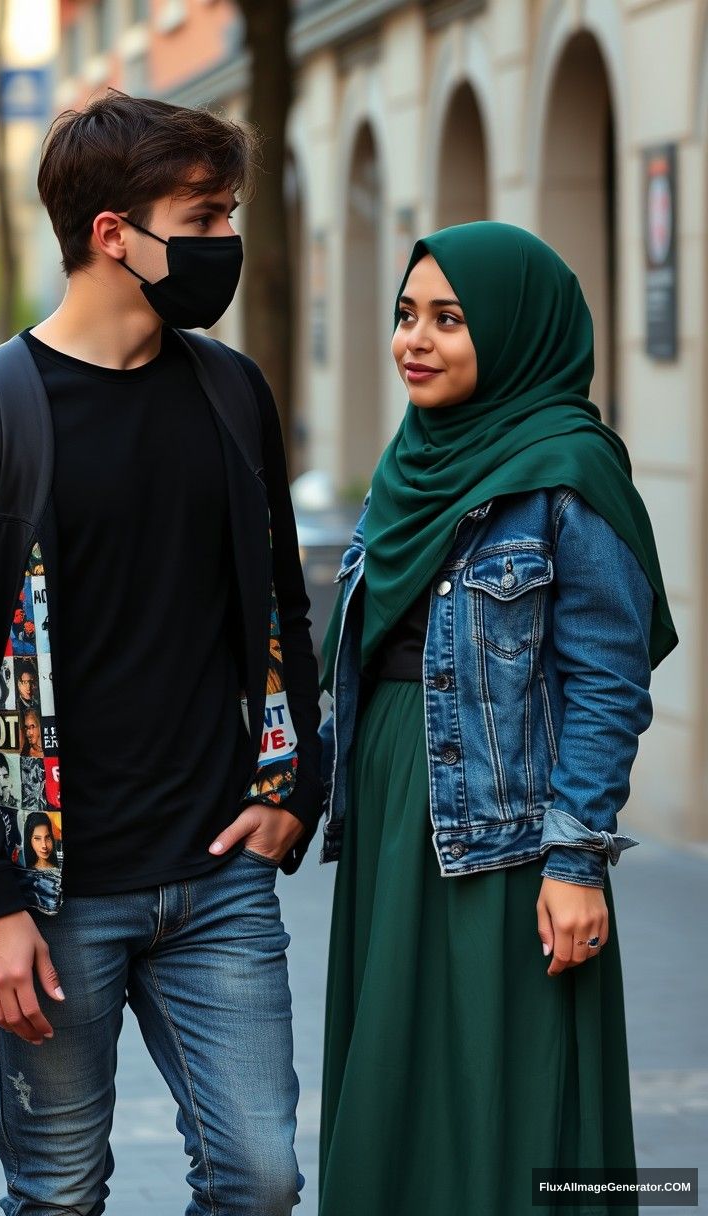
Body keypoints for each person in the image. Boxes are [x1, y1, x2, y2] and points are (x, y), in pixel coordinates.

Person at [0, 91, 321, 1216]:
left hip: (220, 877)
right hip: (53, 896)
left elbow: (282, 608)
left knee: (261, 1178)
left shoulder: (233, 393)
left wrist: (296, 786)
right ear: (111, 234)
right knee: (57, 1191)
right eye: (203, 214)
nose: (224, 240)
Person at [317, 222, 678, 1216]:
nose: (413, 341)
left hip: (505, 831)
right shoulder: (407, 466)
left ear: (516, 331)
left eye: (448, 319)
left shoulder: (568, 471)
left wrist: (574, 864)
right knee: (396, 1067)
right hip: (397, 808)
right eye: (404, 316)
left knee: (503, 1078)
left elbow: (608, 684)